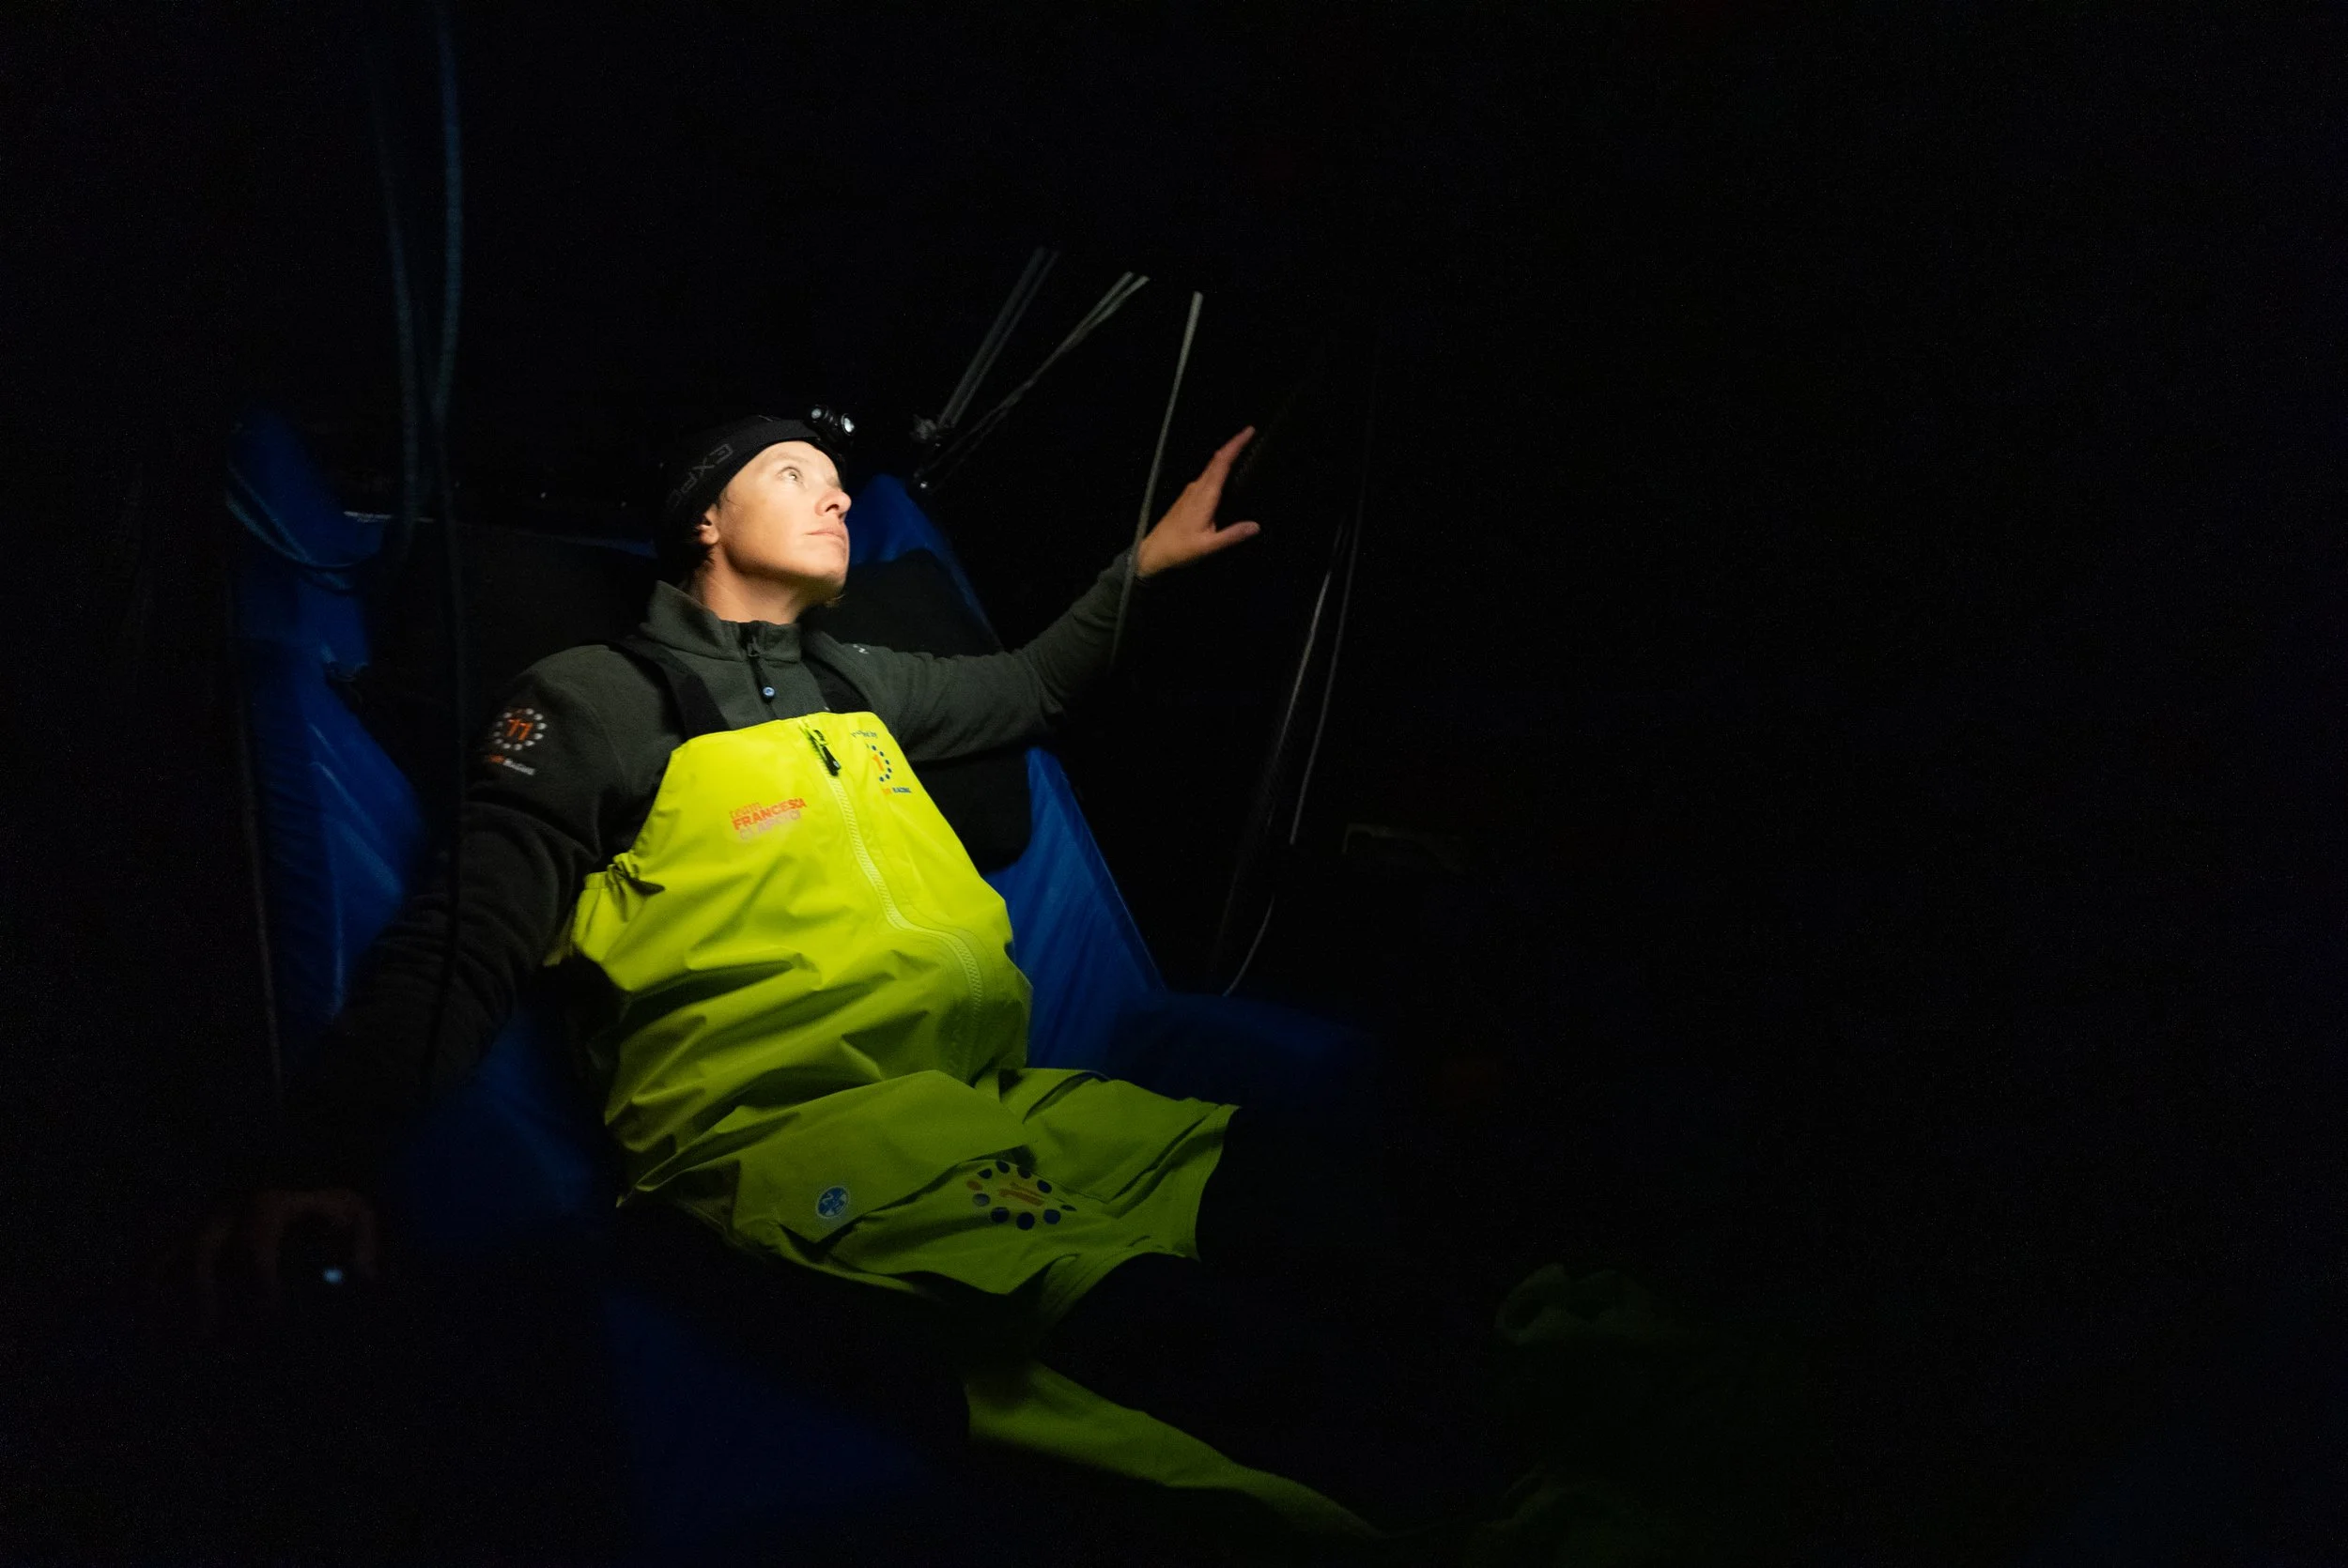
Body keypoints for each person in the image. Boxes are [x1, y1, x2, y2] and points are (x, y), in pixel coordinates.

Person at [176, 413, 1518, 1555]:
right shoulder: (594, 698)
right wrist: (320, 1151)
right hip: (803, 1149)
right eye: (792, 473)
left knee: (1366, 1226)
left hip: (1004, 1105)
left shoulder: (860, 682)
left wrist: (1143, 570)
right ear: (706, 521)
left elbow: (1030, 688)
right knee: (1220, 1360)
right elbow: (466, 933)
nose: (834, 495)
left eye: (837, 481)